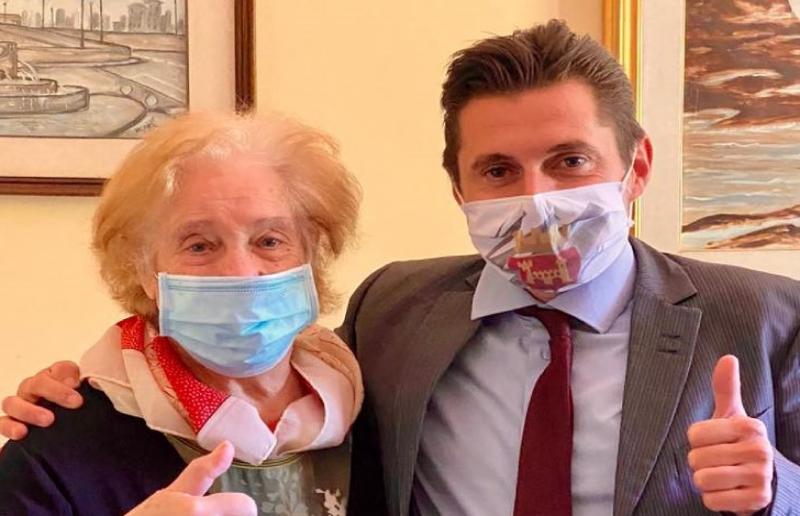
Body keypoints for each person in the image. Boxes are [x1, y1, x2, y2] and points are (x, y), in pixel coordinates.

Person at [4, 20, 800, 516]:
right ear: (458, 187)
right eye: (498, 170)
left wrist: (778, 491)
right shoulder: (397, 312)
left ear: (637, 166)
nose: (537, 201)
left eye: (569, 161)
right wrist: (63, 394)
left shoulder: (769, 319)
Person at [0, 112, 364, 515]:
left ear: (312, 254)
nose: (240, 272)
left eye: (269, 241)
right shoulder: (55, 450)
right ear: (144, 270)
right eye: (199, 246)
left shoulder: (378, 406)